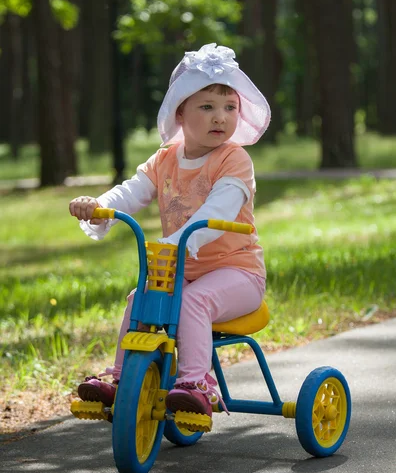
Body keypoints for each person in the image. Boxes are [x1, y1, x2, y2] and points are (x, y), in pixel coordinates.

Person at [69, 43, 270, 420]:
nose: (220, 118)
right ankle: (121, 378)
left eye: (230, 108)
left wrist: (178, 241)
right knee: (137, 298)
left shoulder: (234, 159)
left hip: (238, 274)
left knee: (194, 302)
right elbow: (131, 191)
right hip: (181, 273)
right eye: (207, 106)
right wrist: (97, 207)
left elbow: (220, 207)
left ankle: (196, 384)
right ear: (180, 111)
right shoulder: (164, 159)